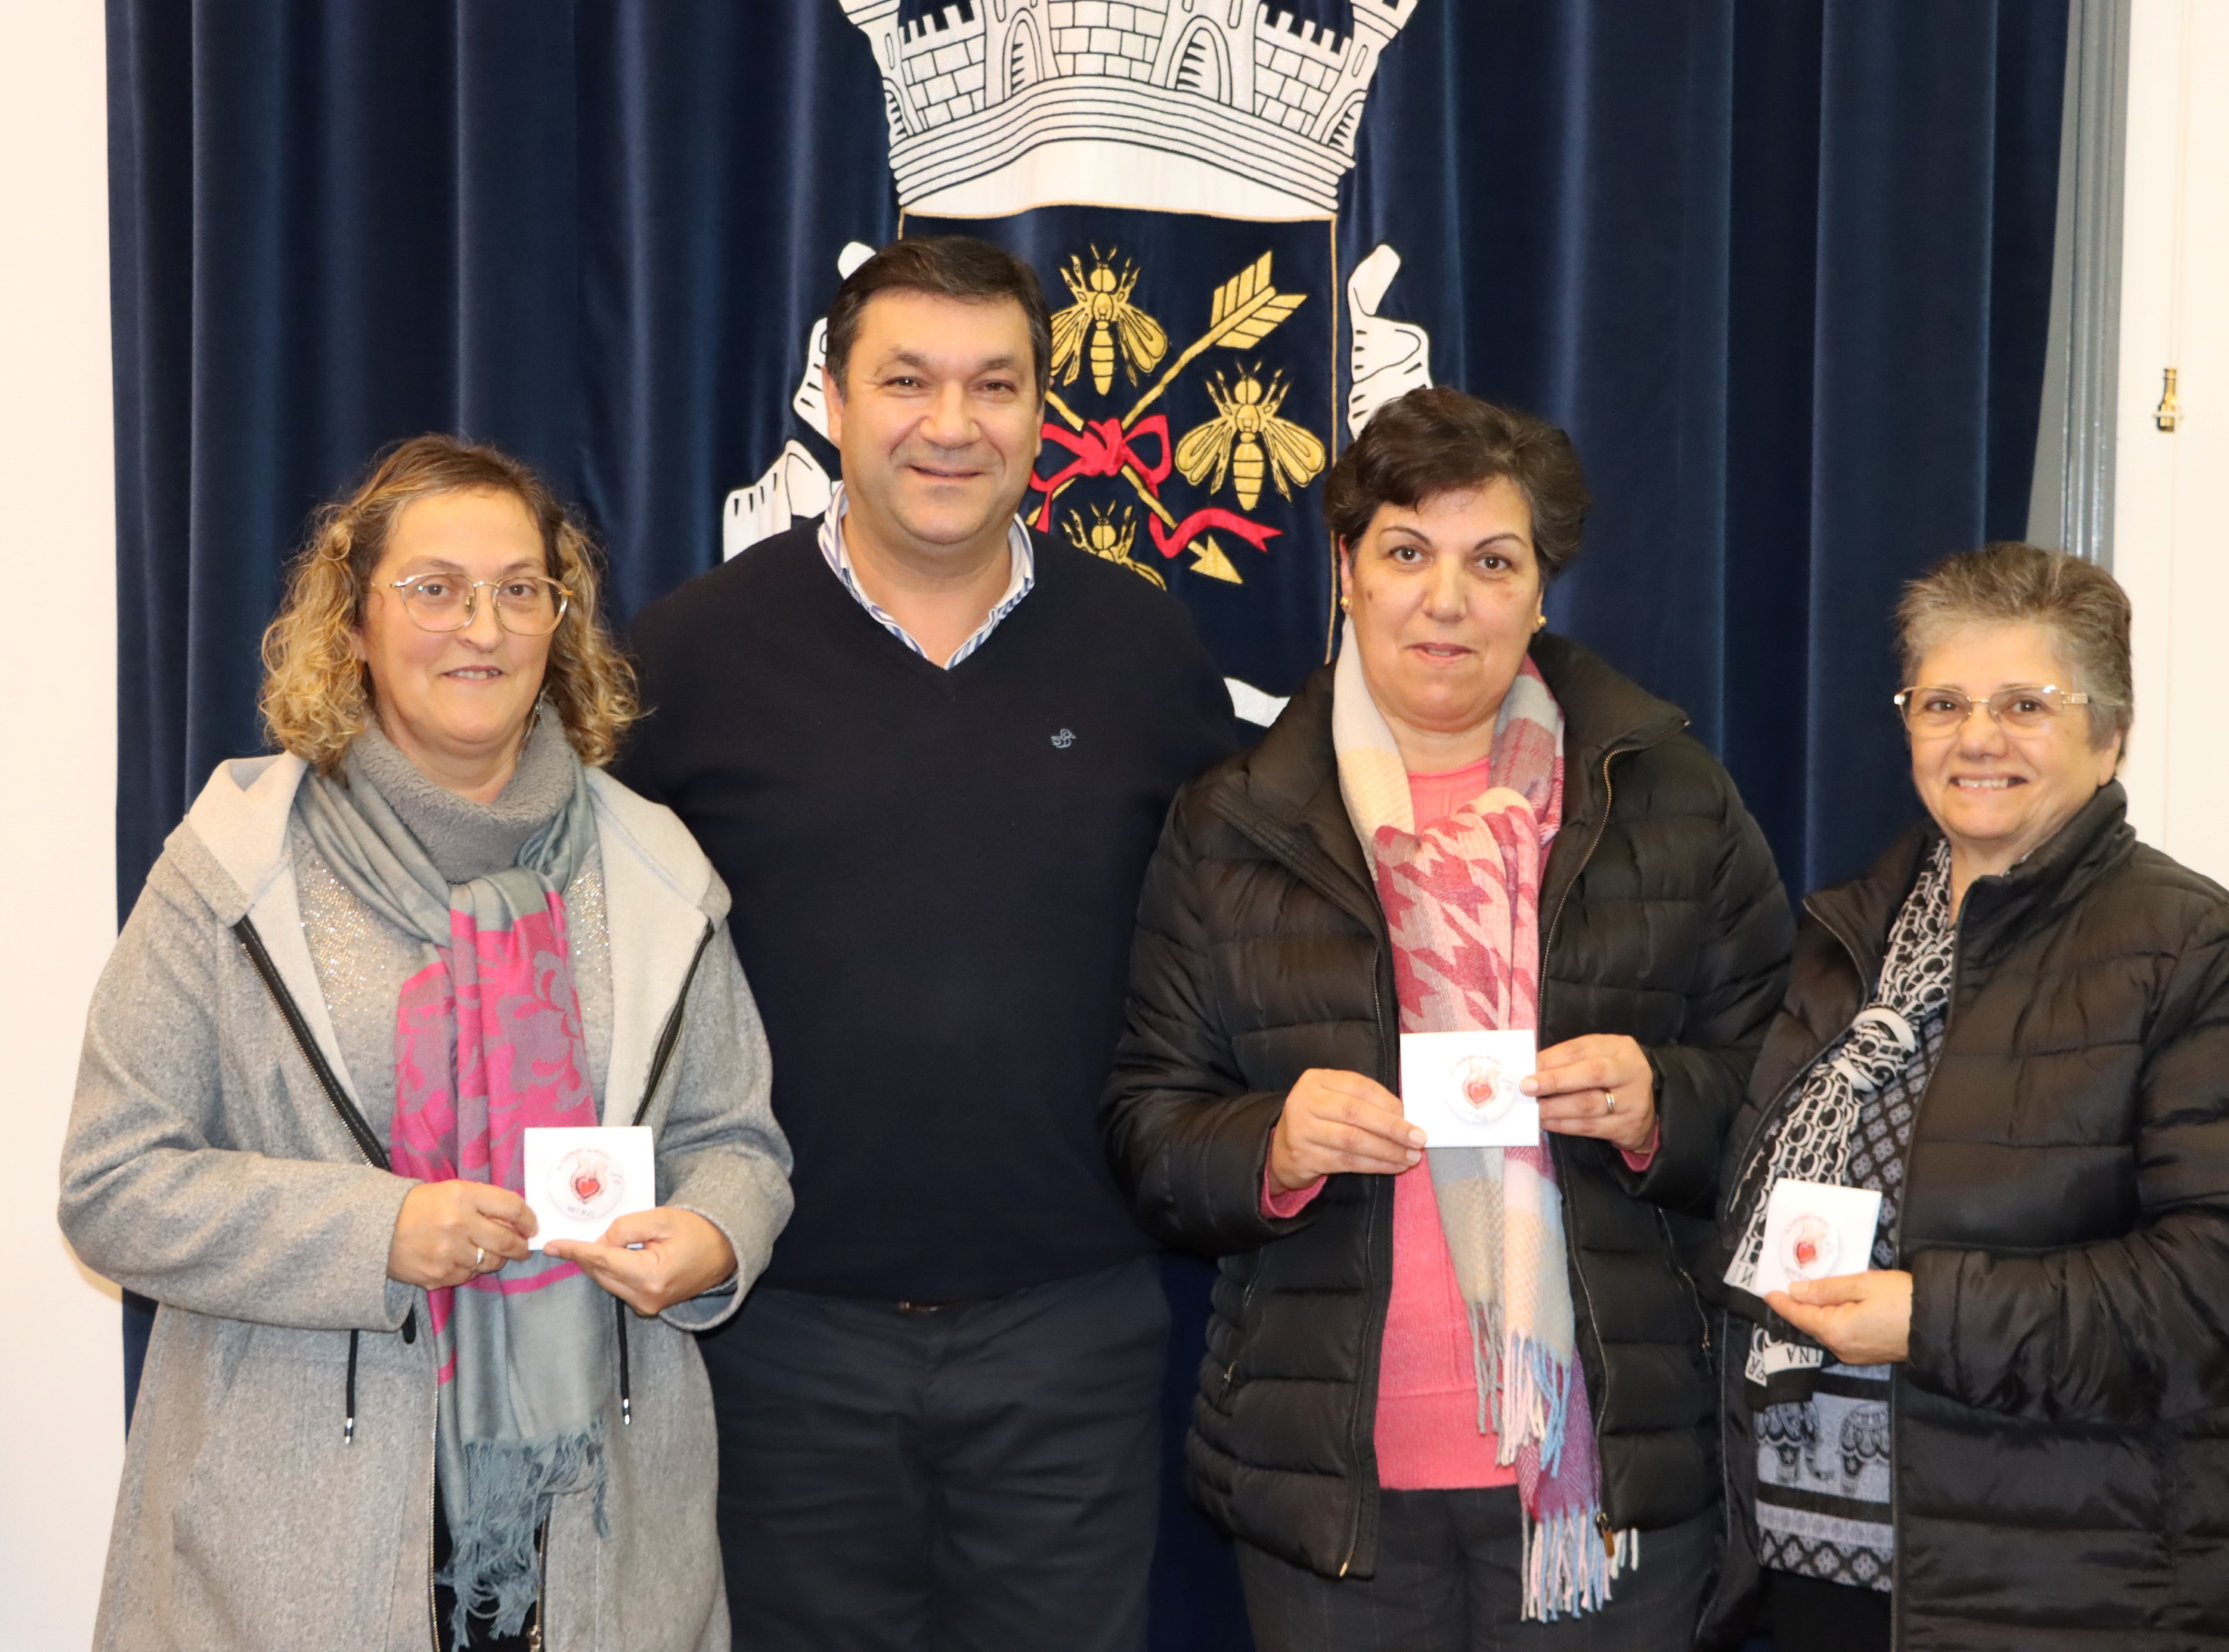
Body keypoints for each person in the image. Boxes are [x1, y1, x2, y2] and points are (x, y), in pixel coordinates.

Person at [59, 435, 795, 1651]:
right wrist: (377, 1230)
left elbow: (738, 1140)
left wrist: (713, 1236)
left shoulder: (655, 865)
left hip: (601, 1535)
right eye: (435, 587)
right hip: (295, 1544)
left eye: (521, 589)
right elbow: (114, 1183)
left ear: (559, 622)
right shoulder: (233, 870)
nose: (483, 626)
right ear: (350, 620)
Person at [1102, 386, 1796, 1650]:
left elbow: (1786, 1100)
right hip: (1332, 1494)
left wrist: (1661, 1103)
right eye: (1405, 553)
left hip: (1611, 1486)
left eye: (1492, 562)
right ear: (1346, 573)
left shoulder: (1667, 796)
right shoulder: (1232, 820)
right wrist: (1269, 1141)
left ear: (1539, 591)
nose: (1445, 599)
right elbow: (1149, 1125)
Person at [615, 235, 1233, 1652]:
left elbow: (1226, 951)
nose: (950, 425)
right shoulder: (692, 656)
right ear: (829, 399)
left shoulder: (1141, 651)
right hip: (775, 1324)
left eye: (993, 385)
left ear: (1041, 416)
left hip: (1068, 1321)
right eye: (906, 380)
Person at [1704, 542, 2229, 1652]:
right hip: (1812, 1583)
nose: (1978, 737)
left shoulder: (2208, 960)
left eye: (2026, 704)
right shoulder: (1845, 944)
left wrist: (1932, 1316)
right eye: (1944, 701)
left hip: (2071, 1595)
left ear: (2110, 731)